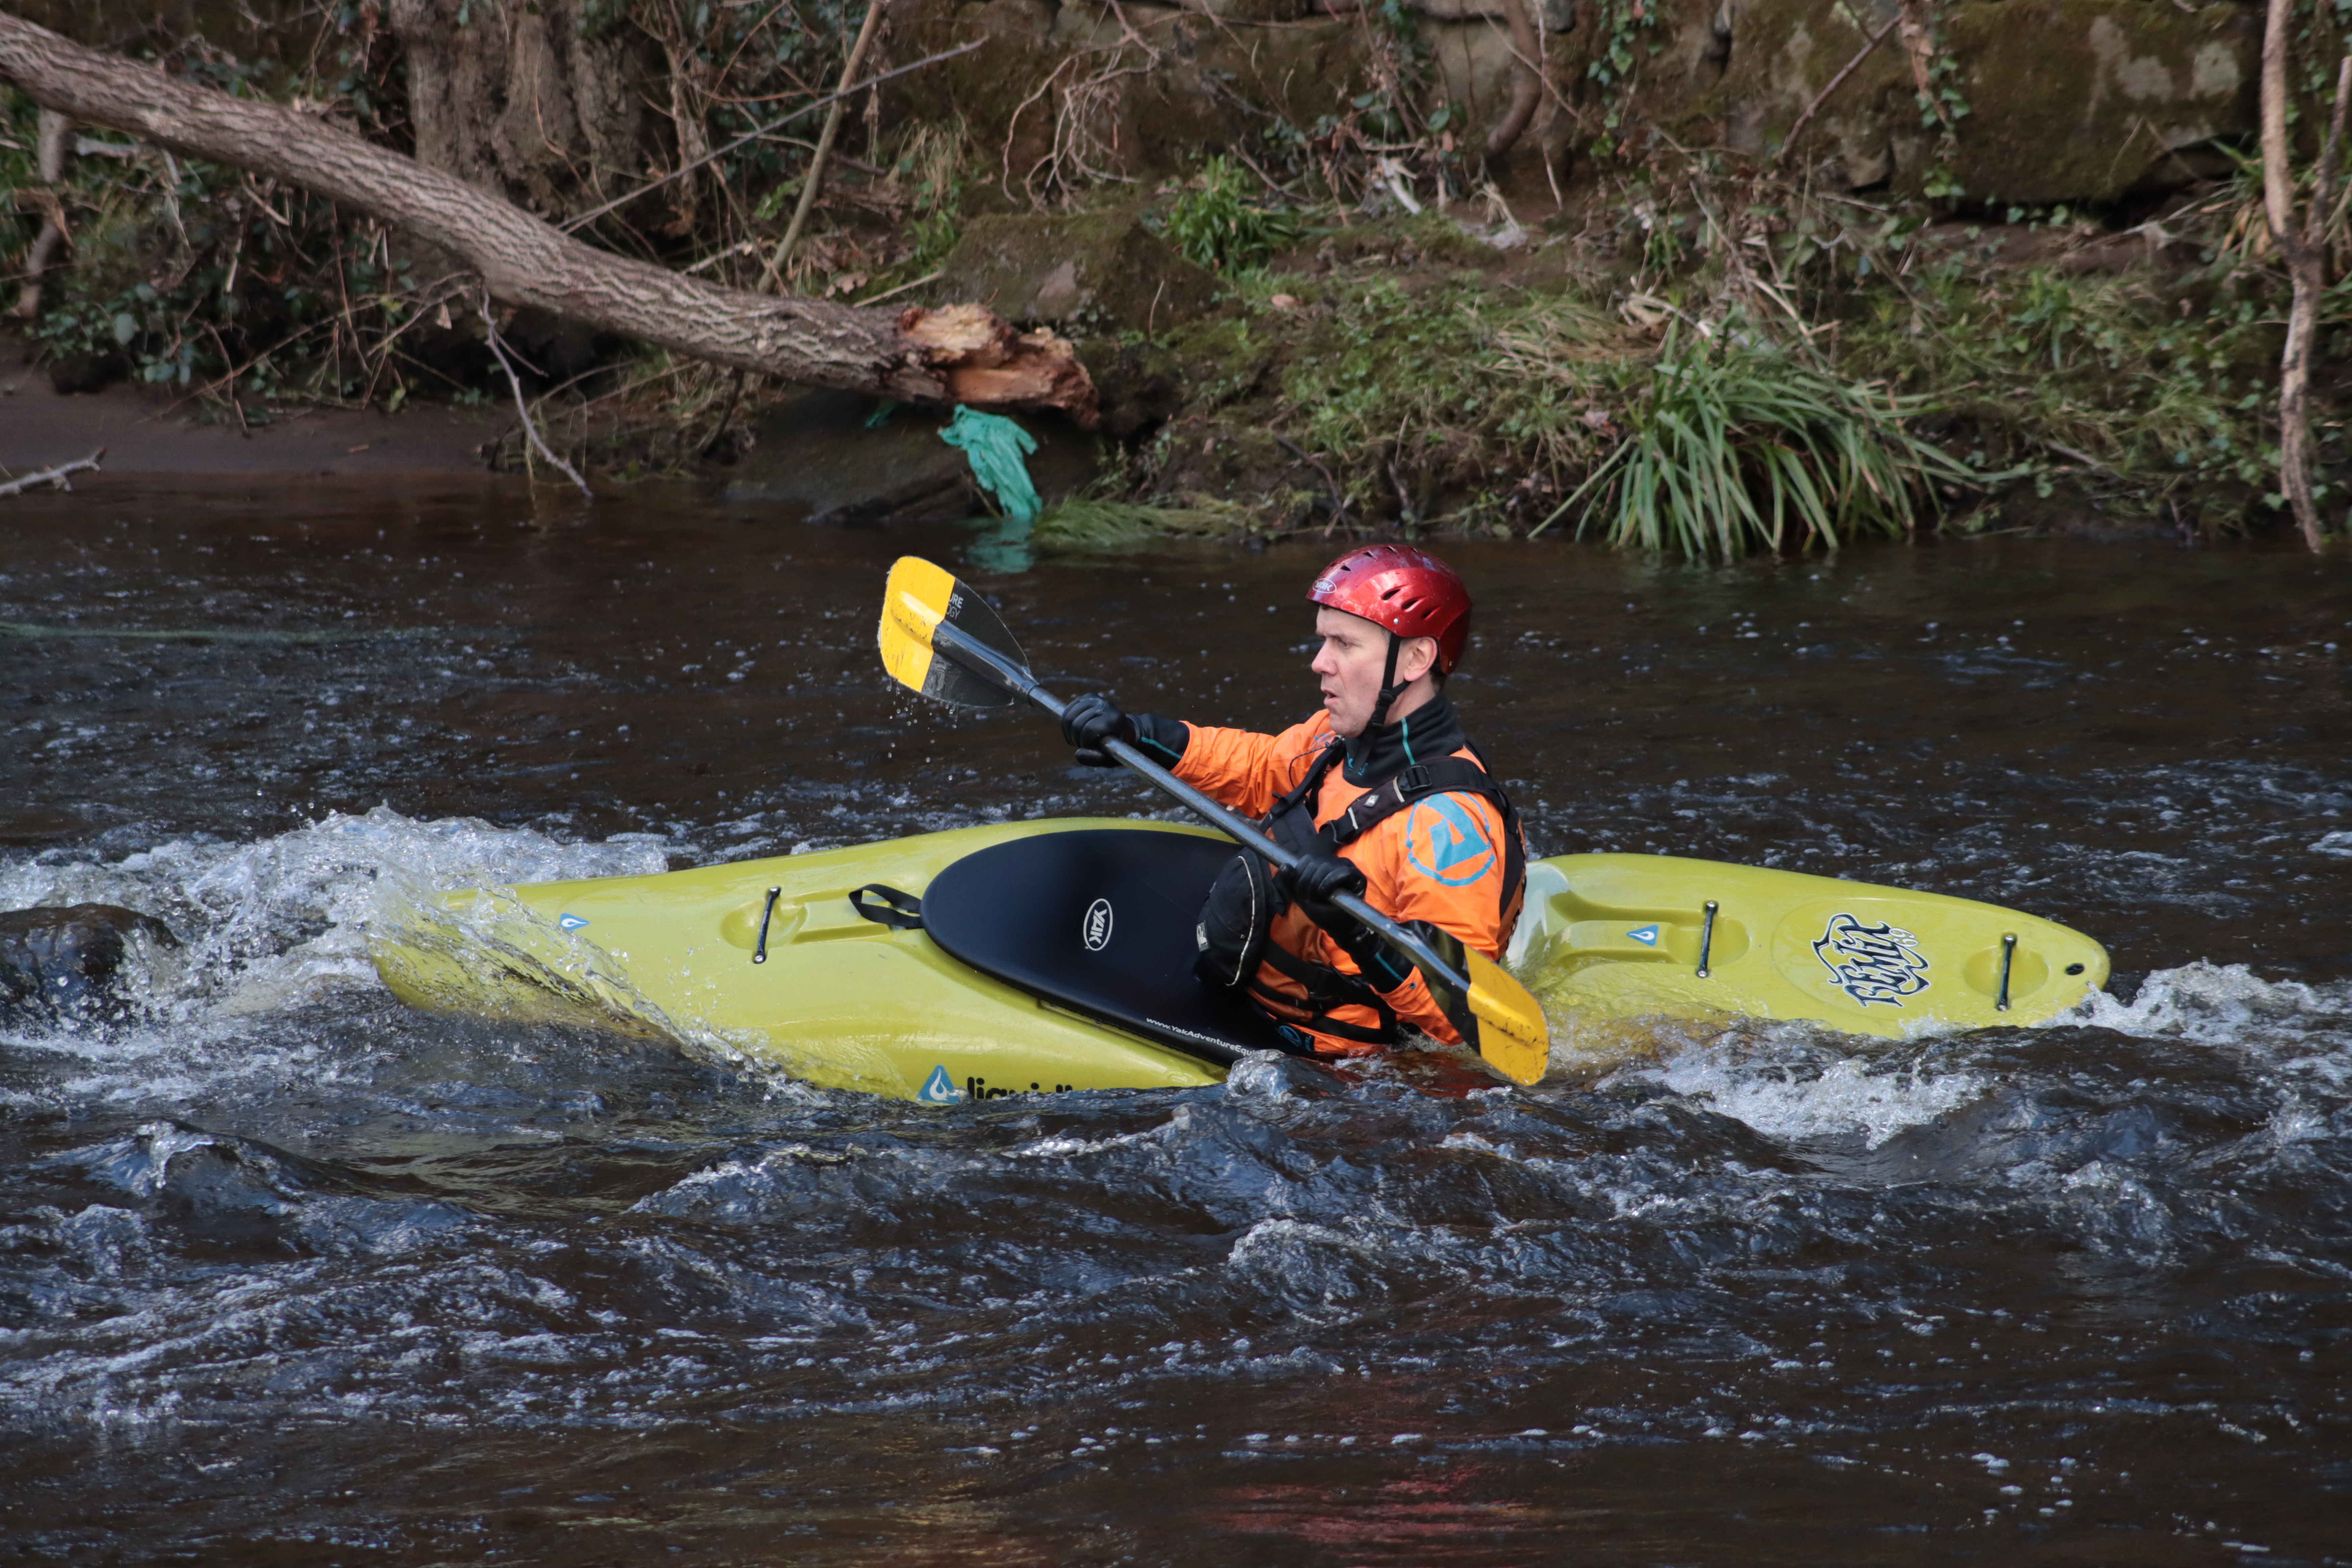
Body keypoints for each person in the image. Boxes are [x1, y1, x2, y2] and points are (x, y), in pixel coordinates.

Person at [1059, 544, 1525, 1058]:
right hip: (1255, 1007)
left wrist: (1360, 931)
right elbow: (1259, 767)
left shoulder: (1450, 827)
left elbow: (1467, 1015)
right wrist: (1141, 735)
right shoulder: (1335, 740)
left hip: (1347, 1074)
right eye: (1324, 641)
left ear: (1416, 659)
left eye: (1345, 645)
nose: (1319, 663)